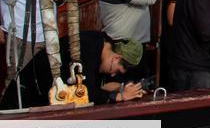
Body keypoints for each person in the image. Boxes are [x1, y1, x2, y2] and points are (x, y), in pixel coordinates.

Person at [2, 32, 145, 109]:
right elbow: (84, 94)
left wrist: (121, 89)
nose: (113, 74)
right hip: (23, 101)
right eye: (117, 71)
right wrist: (118, 96)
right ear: (116, 57)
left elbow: (96, 86)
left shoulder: (100, 43)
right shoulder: (86, 49)